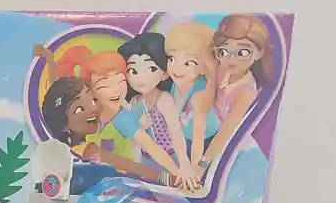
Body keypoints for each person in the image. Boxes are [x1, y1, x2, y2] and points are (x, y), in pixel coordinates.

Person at [34, 45, 175, 186]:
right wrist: (49, 58)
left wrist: (172, 175)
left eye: (121, 82)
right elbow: (57, 93)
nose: (115, 91)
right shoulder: (85, 126)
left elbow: (144, 151)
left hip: (128, 180)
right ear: (92, 89)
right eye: (103, 86)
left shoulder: (121, 119)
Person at [116, 33, 200, 191]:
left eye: (151, 69)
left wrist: (184, 164)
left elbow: (176, 132)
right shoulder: (134, 102)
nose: (141, 78)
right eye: (133, 71)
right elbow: (134, 139)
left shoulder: (163, 99)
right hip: (146, 160)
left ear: (165, 73)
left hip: (171, 158)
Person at [198, 14, 274, 170]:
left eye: (242, 52)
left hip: (231, 148)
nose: (231, 59)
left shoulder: (246, 93)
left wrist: (202, 165)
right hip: (208, 132)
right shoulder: (220, 69)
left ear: (259, 52)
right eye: (223, 52)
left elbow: (226, 133)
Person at [165, 21, 220, 171]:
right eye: (172, 58)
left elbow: (198, 138)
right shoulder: (177, 82)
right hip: (185, 137)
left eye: (188, 63)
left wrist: (195, 169)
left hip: (204, 141)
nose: (177, 67)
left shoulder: (199, 95)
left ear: (204, 66)